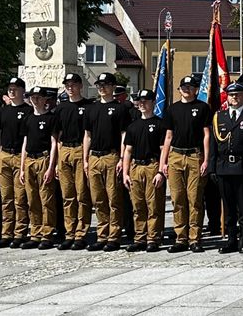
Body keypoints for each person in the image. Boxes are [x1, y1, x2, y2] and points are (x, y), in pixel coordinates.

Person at [160, 74, 211, 253]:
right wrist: (163, 163)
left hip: (194, 156)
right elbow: (168, 137)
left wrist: (206, 159)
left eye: (191, 87)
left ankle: (195, 238)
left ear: (196, 89)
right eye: (184, 87)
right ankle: (181, 237)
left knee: (195, 198)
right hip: (175, 156)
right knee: (178, 198)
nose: (187, 89)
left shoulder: (203, 107)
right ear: (179, 89)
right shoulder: (172, 109)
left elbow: (207, 135)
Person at [209, 83, 243, 253]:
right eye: (232, 95)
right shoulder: (219, 117)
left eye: (238, 95)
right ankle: (231, 239)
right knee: (228, 206)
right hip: (223, 167)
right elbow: (213, 146)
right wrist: (212, 168)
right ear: (227, 97)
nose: (235, 98)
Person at [82, 72, 130, 251]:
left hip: (111, 156)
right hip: (94, 156)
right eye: (100, 85)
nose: (102, 88)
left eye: (105, 85)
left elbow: (124, 135)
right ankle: (102, 235)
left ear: (112, 87)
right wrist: (85, 159)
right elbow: (87, 135)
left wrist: (122, 157)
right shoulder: (91, 109)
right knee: (98, 199)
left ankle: (114, 236)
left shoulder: (120, 108)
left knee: (113, 199)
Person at [122, 89, 165, 252]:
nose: (142, 104)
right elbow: (127, 151)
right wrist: (126, 173)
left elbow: (163, 150)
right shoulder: (133, 126)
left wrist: (161, 171)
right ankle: (140, 237)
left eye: (146, 101)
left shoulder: (160, 124)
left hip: (152, 166)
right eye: (139, 101)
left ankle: (153, 238)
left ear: (153, 103)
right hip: (136, 167)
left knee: (153, 204)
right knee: (137, 205)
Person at [55, 72, 92, 250]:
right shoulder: (61, 108)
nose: (70, 88)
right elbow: (57, 135)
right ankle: (69, 233)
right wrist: (56, 160)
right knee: (67, 195)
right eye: (67, 85)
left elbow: (88, 134)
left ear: (80, 86)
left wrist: (85, 157)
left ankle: (81, 233)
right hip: (65, 150)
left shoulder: (88, 106)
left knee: (82, 194)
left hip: (79, 149)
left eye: (73, 84)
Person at [18, 86, 58, 249]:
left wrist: (51, 166)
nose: (35, 100)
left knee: (46, 198)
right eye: (33, 97)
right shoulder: (28, 118)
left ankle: (47, 234)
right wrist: (21, 167)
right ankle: (35, 233)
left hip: (43, 158)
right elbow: (25, 143)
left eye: (38, 98)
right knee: (31, 199)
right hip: (29, 159)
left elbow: (54, 143)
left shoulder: (51, 118)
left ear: (44, 100)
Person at [0, 77, 31, 248]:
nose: (12, 91)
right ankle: (6, 232)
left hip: (19, 156)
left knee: (20, 198)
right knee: (5, 198)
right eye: (9, 88)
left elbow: (27, 138)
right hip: (4, 155)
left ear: (22, 91)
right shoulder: (3, 111)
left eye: (15, 88)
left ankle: (20, 232)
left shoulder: (28, 111)